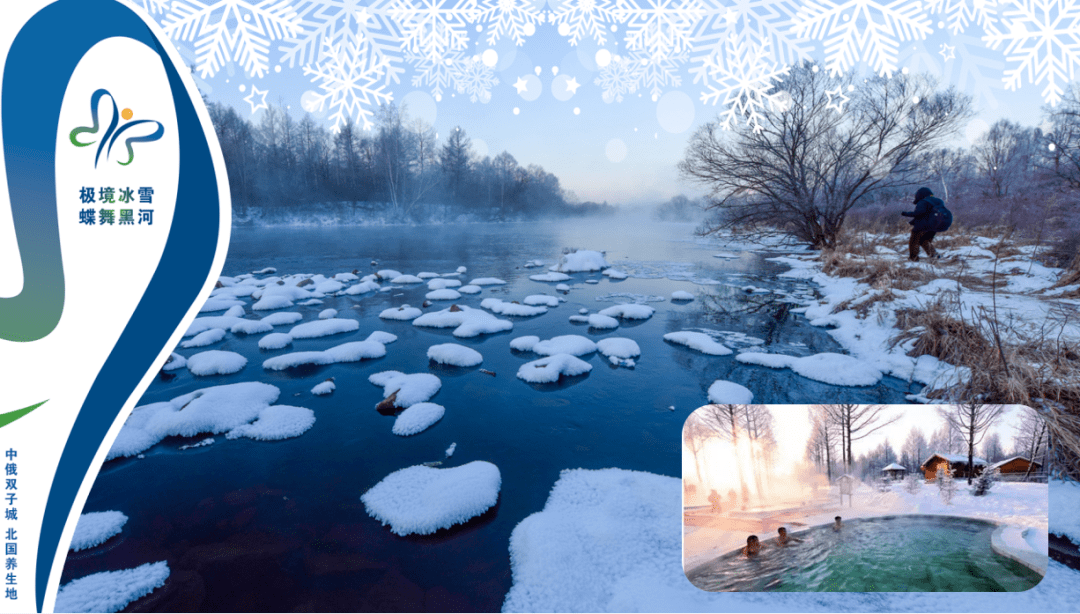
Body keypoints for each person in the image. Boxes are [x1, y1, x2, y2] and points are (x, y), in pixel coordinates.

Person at [901, 187, 946, 262]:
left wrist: (905, 213)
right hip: (935, 226)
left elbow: (919, 213)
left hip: (922, 226)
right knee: (924, 240)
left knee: (914, 241)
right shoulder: (939, 201)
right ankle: (934, 254)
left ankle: (913, 258)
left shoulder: (923, 202)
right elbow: (929, 213)